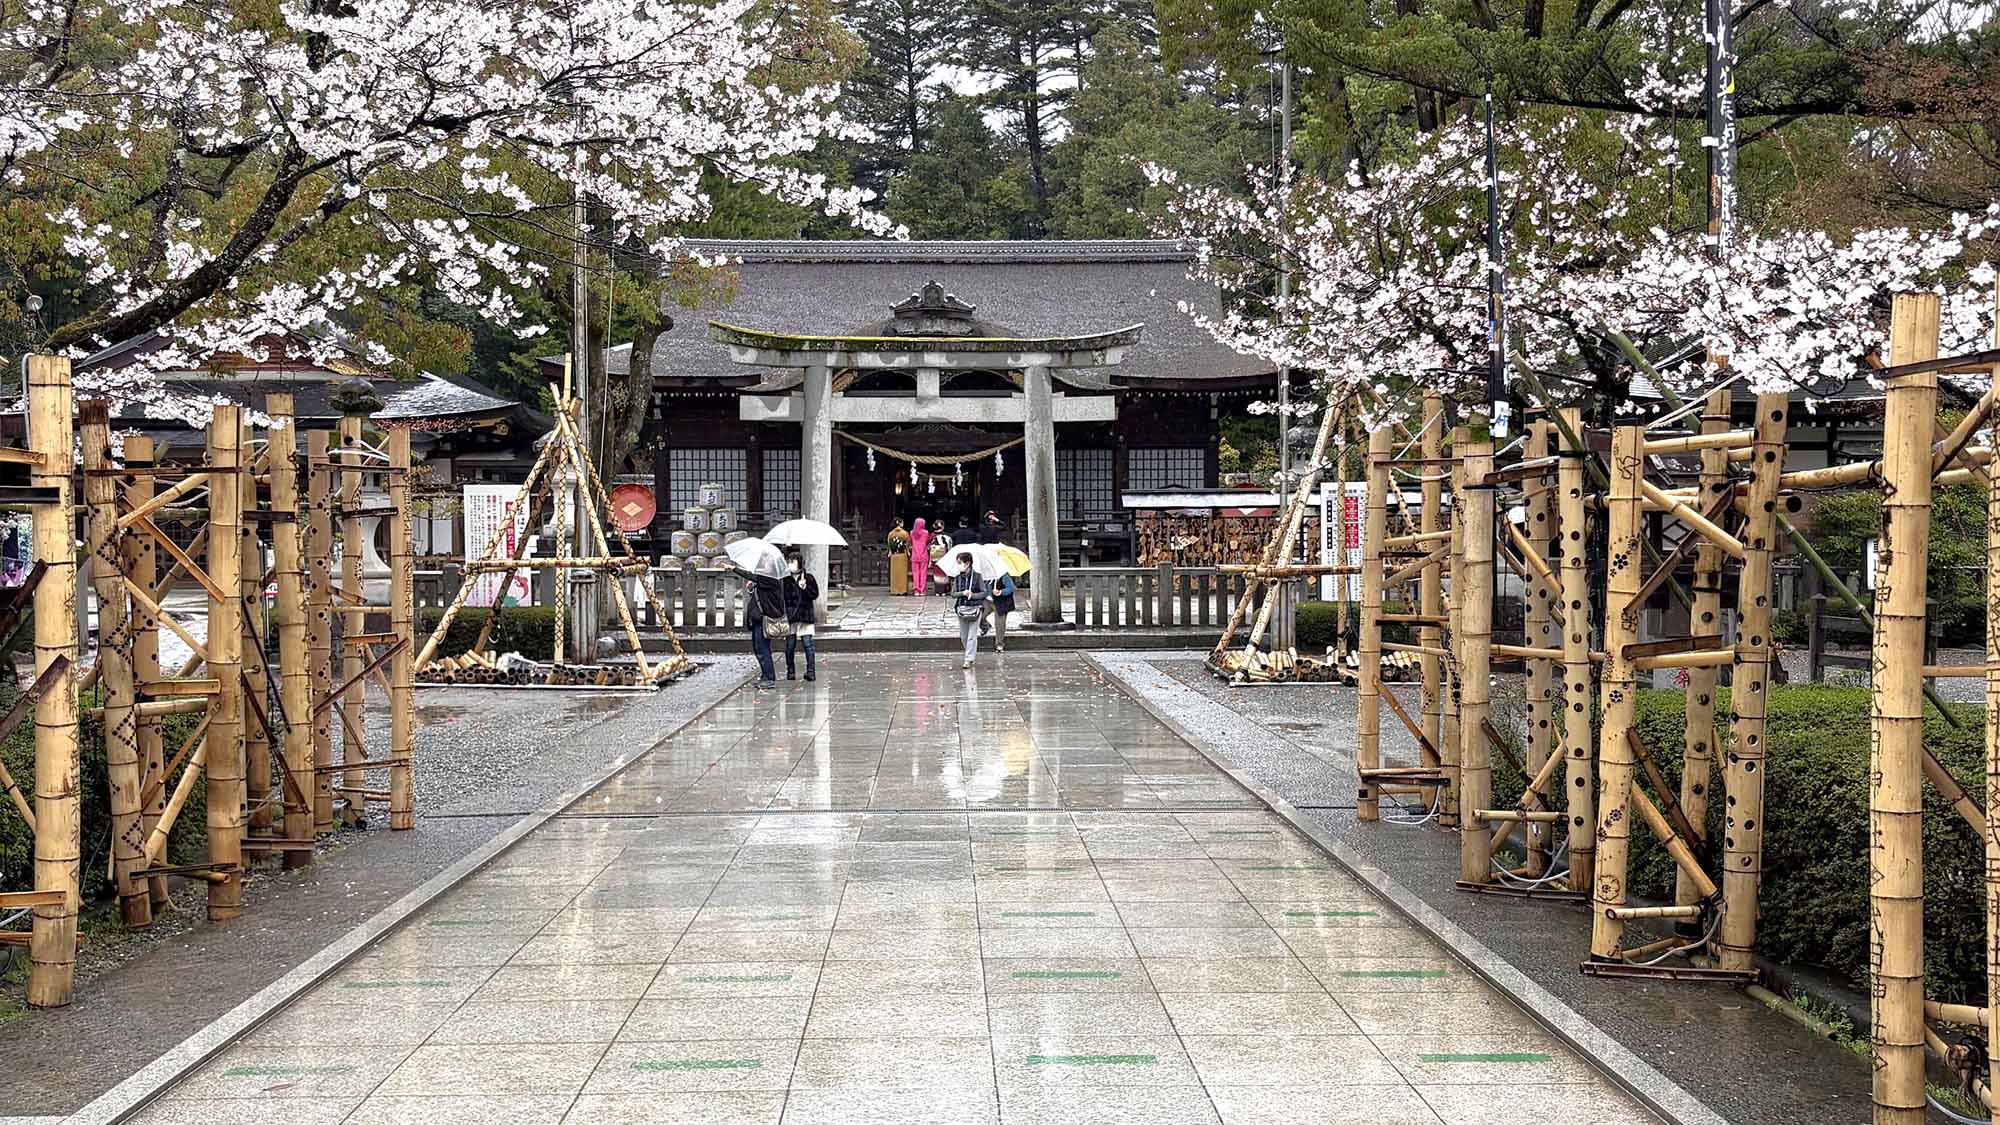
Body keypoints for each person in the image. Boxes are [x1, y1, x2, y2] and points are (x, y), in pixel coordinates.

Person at [950, 548, 991, 669]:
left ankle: (969, 659)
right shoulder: (957, 578)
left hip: (975, 608)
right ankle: (969, 653)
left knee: (972, 635)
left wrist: (972, 595)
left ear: (967, 563)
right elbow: (953, 594)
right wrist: (963, 593)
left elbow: (984, 593)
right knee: (964, 635)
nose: (959, 566)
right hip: (962, 608)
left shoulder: (977, 577)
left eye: (960, 562)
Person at [743, 573, 785, 688]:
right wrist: (751, 589)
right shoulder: (764, 581)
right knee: (758, 649)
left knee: (763, 649)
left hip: (763, 620)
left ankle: (769, 678)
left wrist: (734, 569)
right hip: (757, 620)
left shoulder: (770, 578)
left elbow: (755, 578)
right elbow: (761, 595)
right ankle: (765, 675)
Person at [782, 551, 819, 681]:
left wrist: (805, 588)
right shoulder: (785, 579)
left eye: (793, 561)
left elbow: (814, 595)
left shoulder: (809, 578)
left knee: (808, 644)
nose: (790, 564)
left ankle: (811, 671)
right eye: (789, 562)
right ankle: (790, 671)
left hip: (804, 614)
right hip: (791, 615)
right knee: (790, 645)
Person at [982, 568, 1016, 652]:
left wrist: (1000, 591)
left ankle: (999, 644)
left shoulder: (1004, 576)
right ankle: (985, 626)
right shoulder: (986, 576)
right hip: (987, 601)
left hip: (1000, 603)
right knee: (979, 616)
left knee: (999, 624)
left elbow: (1011, 588)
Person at [887, 519, 912, 595]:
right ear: (900, 523)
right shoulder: (904, 533)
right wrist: (908, 551)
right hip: (902, 554)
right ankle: (902, 590)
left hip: (894, 555)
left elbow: (889, 544)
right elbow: (907, 543)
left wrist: (890, 551)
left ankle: (894, 590)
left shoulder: (891, 533)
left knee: (894, 573)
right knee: (902, 573)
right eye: (902, 522)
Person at [909, 518, 930, 597]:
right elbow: (927, 541)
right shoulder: (926, 533)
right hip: (923, 554)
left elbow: (911, 542)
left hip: (914, 555)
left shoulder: (911, 533)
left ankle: (916, 590)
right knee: (923, 573)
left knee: (915, 573)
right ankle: (922, 590)